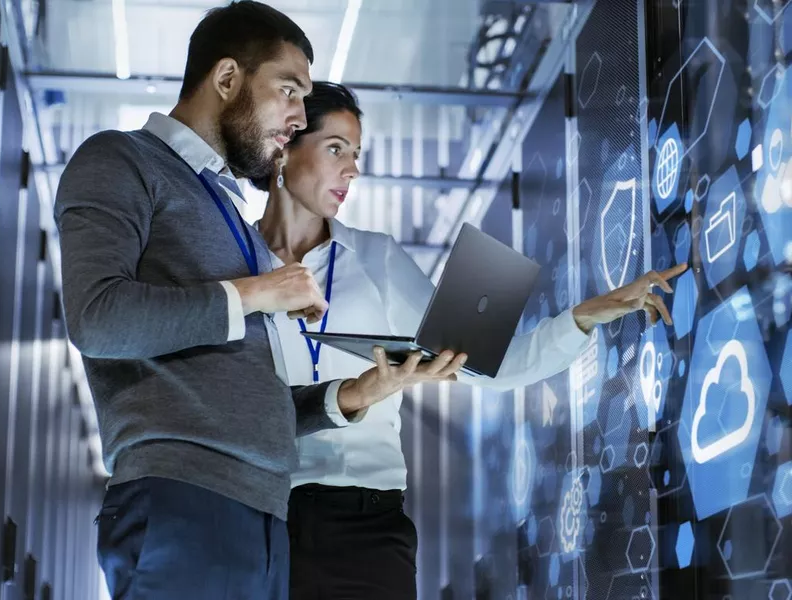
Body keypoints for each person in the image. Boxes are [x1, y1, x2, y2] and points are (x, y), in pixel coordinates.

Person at [54, 5, 464, 599]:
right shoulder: (121, 159)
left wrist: (353, 395)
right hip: (182, 501)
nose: (297, 117)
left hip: (263, 517)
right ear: (227, 79)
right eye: (289, 91)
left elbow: (249, 400)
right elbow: (97, 318)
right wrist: (257, 292)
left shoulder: (228, 214)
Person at [251, 81, 688, 599]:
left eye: (357, 154)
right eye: (335, 149)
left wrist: (587, 315)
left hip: (368, 524)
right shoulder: (236, 267)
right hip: (263, 517)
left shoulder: (376, 258)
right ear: (285, 147)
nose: (352, 170)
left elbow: (491, 365)